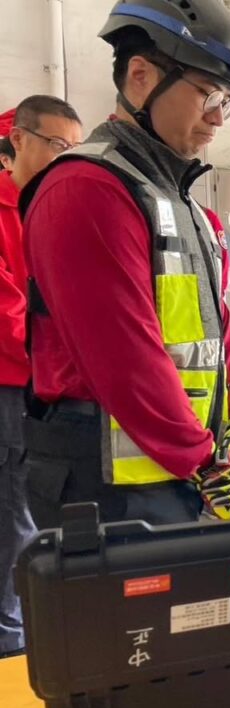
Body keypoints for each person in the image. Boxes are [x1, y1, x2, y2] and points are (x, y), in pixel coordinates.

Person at [19, 0, 230, 530]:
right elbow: (125, 359)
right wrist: (206, 462)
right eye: (209, 94)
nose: (218, 117)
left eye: (227, 102)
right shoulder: (85, 190)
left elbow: (216, 327)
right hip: (106, 493)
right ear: (141, 75)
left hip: (176, 477)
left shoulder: (180, 202)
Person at [0, 95, 82, 659]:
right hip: (14, 387)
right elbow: (11, 314)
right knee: (15, 515)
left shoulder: (56, 211)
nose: (64, 158)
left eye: (74, 149)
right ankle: (13, 646)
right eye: (55, 145)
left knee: (50, 509)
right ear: (19, 139)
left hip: (57, 388)